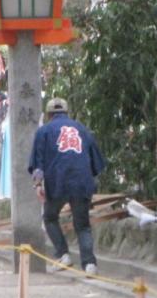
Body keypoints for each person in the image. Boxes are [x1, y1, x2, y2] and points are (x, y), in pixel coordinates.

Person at [28, 97, 106, 272]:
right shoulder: (82, 129)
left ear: (48, 115)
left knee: (49, 217)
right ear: (67, 112)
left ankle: (63, 255)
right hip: (81, 181)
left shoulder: (44, 131)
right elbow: (96, 163)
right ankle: (89, 264)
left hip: (58, 182)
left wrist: (38, 185)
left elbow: (38, 163)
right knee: (82, 224)